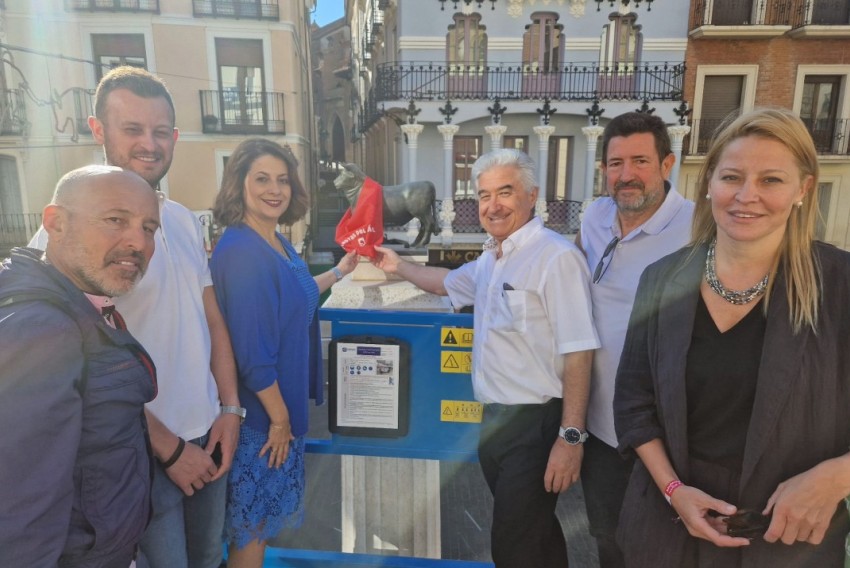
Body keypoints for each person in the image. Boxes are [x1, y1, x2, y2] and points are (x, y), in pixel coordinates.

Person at [613, 107, 850, 567]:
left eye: (771, 180)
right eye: (732, 177)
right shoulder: (662, 279)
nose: (746, 196)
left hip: (788, 546)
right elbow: (633, 403)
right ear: (708, 184)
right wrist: (674, 491)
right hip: (667, 535)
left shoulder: (840, 284)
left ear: (803, 188)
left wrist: (836, 478)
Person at [29, 66, 242, 568]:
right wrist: (168, 448)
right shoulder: (69, 233)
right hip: (136, 452)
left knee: (210, 560)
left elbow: (210, 320)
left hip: (207, 435)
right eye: (133, 129)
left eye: (161, 131)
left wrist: (230, 411)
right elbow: (80, 367)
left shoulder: (185, 220)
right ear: (98, 130)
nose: (150, 144)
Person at [371, 148, 599, 567]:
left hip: (536, 423)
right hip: (494, 422)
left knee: (513, 546)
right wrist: (397, 264)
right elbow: (445, 283)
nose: (493, 206)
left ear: (531, 196)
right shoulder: (492, 259)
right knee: (537, 535)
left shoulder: (556, 258)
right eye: (483, 195)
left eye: (505, 193)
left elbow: (579, 352)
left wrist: (571, 438)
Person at [0, 166, 159, 566]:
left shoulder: (80, 304)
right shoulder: (42, 330)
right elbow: (22, 508)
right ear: (56, 223)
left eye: (149, 227)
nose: (137, 241)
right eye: (115, 220)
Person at [209, 138, 357, 568]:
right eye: (262, 179)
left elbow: (298, 293)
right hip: (261, 422)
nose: (275, 189)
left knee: (260, 529)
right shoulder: (241, 252)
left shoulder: (275, 242)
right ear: (239, 184)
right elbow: (252, 356)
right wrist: (279, 420)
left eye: (283, 180)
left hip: (278, 414)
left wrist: (339, 271)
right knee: (251, 535)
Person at [576, 112, 694, 567]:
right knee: (607, 538)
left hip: (662, 430)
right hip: (600, 425)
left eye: (640, 161)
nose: (626, 175)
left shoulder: (698, 229)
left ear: (667, 165)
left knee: (664, 550)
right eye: (615, 163)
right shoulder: (595, 215)